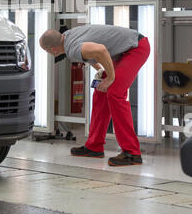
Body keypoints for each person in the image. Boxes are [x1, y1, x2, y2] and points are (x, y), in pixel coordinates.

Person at [39, 24, 150, 167]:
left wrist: (110, 78)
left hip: (135, 47)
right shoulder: (67, 36)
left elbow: (100, 50)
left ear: (53, 50)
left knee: (115, 92)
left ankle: (132, 153)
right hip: (123, 50)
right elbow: (91, 51)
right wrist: (99, 70)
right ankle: (94, 147)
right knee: (100, 91)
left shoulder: (71, 49)